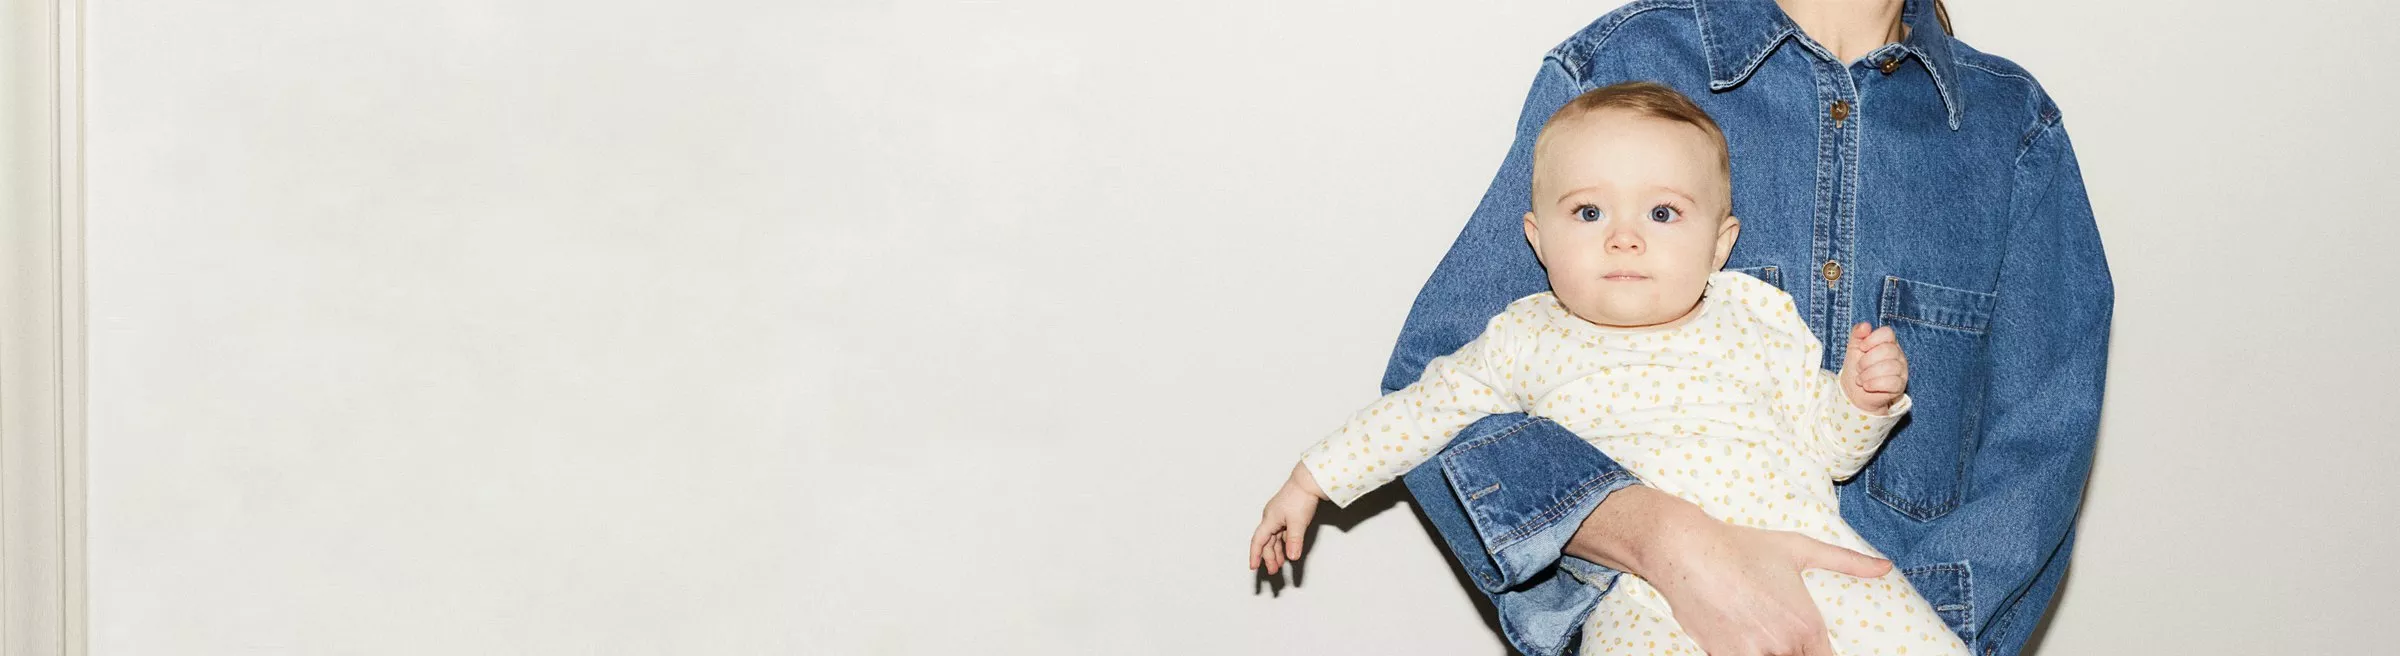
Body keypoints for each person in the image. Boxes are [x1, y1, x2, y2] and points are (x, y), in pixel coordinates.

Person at [1257, 1, 2110, 655]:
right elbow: (1438, 385)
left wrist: (1902, 617)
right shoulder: (1617, 68)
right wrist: (1660, 539)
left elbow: (2042, 443)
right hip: (1653, 617)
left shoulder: (2012, 129)